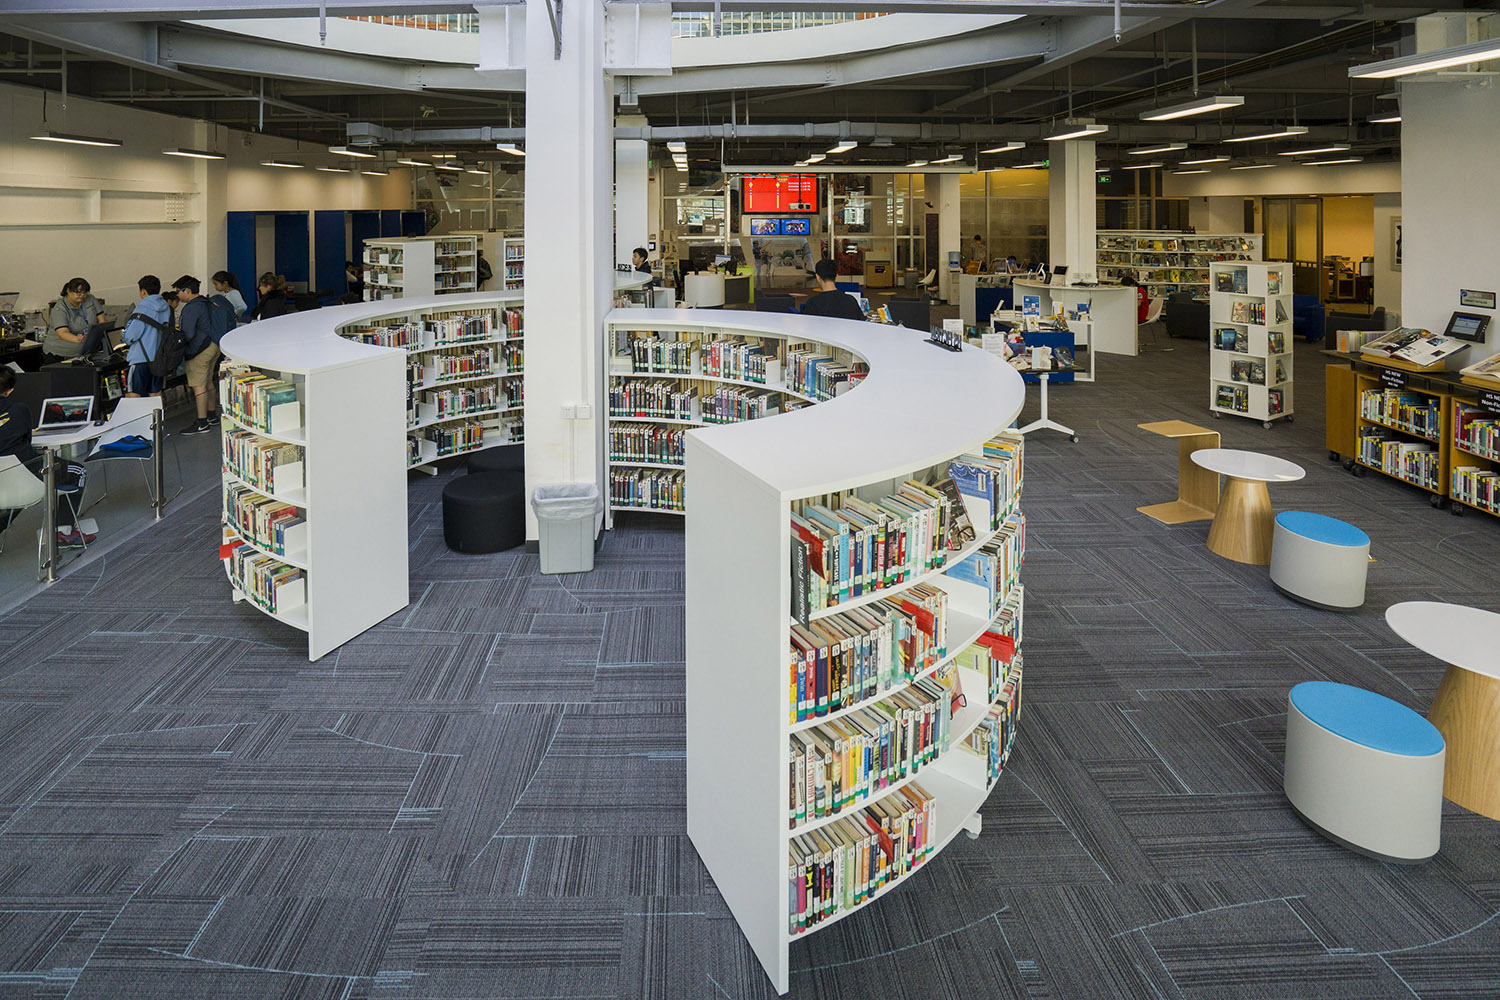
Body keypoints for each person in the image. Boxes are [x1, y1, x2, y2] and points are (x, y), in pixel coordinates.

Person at [0, 366, 93, 547]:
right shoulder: (18, 410)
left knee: (12, 484)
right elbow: (27, 440)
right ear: (10, 390)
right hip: (28, 478)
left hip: (5, 483)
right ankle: (63, 531)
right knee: (78, 471)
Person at [173, 275, 219, 435]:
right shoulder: (206, 302)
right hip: (213, 345)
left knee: (199, 386)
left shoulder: (191, 307)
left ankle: (202, 423)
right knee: (208, 382)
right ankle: (212, 416)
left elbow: (188, 333)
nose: (177, 295)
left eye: (178, 291)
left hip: (199, 349)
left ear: (187, 290)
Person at [121, 275, 171, 398]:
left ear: (143, 291)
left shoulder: (142, 308)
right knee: (156, 394)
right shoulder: (166, 307)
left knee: (133, 395)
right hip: (159, 358)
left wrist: (124, 335)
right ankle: (157, 412)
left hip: (140, 359)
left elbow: (131, 336)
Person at [44, 277, 101, 364]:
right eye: (78, 292)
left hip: (85, 351)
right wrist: (79, 339)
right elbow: (63, 333)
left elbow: (102, 322)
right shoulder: (59, 309)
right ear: (68, 291)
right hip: (60, 354)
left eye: (84, 292)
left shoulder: (90, 299)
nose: (82, 295)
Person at [800, 259, 866, 322]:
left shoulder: (813, 303)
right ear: (836, 276)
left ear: (817, 277)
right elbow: (862, 322)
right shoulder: (851, 300)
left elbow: (807, 326)